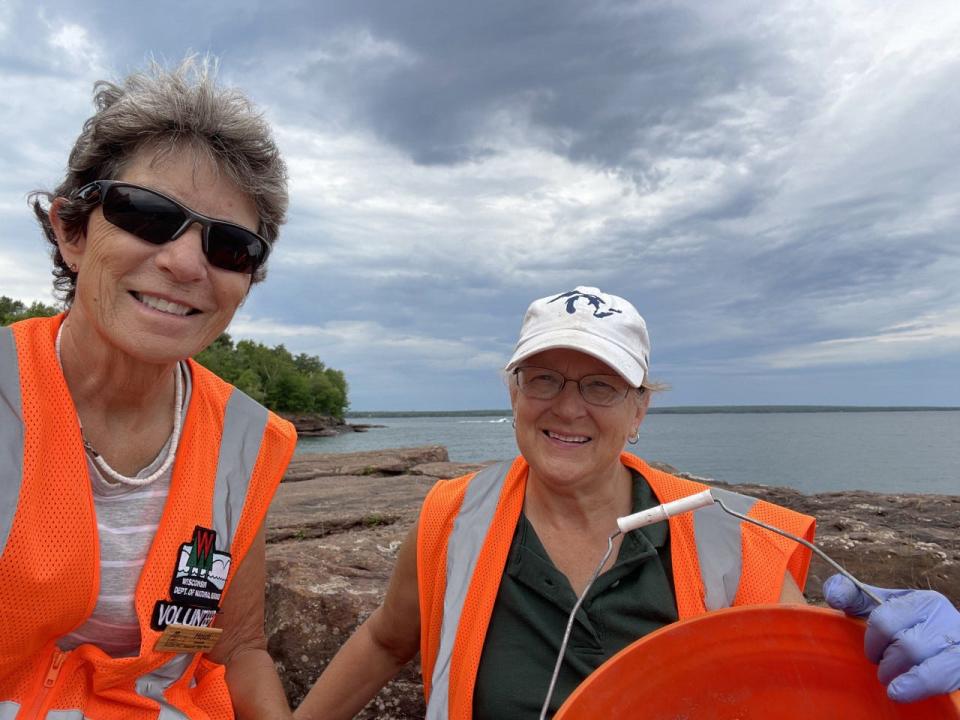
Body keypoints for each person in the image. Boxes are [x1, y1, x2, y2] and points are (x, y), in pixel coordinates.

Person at [295, 285, 817, 720]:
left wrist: (882, 646)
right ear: (514, 394)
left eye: (600, 386)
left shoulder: (730, 538)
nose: (568, 407)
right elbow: (387, 641)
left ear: (639, 410)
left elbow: (814, 683)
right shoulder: (452, 517)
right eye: (543, 378)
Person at [0, 58, 296, 719]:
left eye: (230, 247)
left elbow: (240, 647)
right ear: (71, 231)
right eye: (147, 215)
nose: (186, 262)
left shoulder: (246, 441)